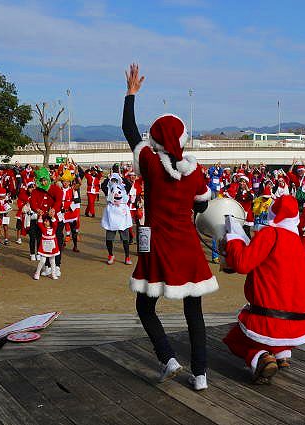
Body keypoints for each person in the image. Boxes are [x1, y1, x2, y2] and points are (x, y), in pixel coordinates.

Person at [123, 64, 218, 391]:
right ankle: (201, 375)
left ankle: (168, 358)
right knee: (194, 311)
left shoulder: (149, 162)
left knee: (144, 304)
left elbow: (129, 130)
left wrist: (131, 95)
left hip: (156, 242)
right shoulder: (193, 170)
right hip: (187, 243)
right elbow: (203, 204)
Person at [222, 195, 305, 383]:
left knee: (233, 341)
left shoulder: (270, 234)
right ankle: (281, 353)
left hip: (268, 321)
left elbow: (242, 264)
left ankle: (262, 357)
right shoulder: (297, 242)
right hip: (299, 323)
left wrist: (234, 239)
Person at [101, 173, 133, 265]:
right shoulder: (108, 189)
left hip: (122, 215)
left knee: (125, 239)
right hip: (111, 215)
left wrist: (122, 177)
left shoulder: (124, 189)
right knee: (109, 239)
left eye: (116, 180)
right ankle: (111, 255)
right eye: (113, 180)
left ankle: (127, 256)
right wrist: (108, 178)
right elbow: (102, 186)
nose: (114, 182)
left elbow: (129, 185)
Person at [33, 214, 60, 280]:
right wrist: (40, 216)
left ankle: (53, 274)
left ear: (50, 222)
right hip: (44, 246)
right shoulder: (43, 228)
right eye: (44, 221)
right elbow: (39, 223)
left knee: (52, 261)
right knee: (42, 260)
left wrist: (53, 216)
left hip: (52, 246)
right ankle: (37, 273)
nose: (44, 222)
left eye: (46, 221)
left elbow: (55, 224)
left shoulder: (54, 228)